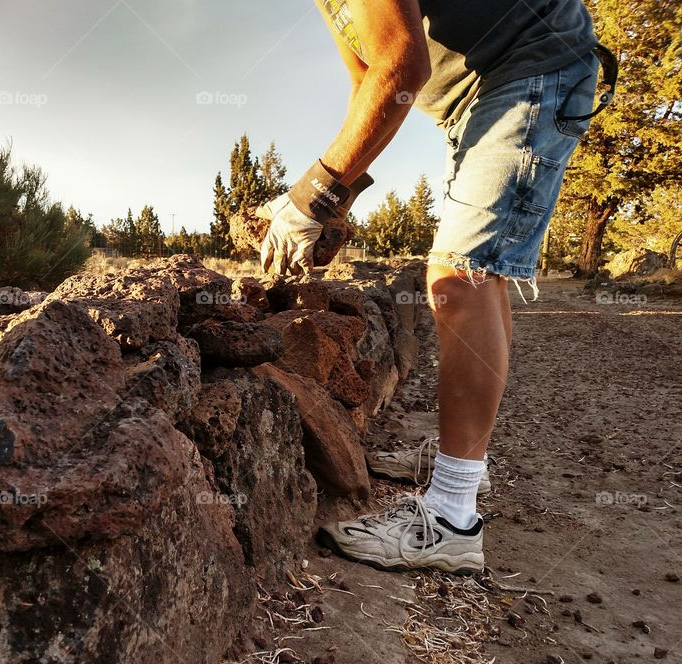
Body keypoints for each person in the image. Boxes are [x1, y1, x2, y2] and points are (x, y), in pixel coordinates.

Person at [258, 0, 613, 573]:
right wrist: (339, 200)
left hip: (531, 69)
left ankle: (451, 517)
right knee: (480, 272)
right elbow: (369, 80)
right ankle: (465, 461)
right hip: (474, 102)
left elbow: (404, 64)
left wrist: (311, 196)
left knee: (457, 275)